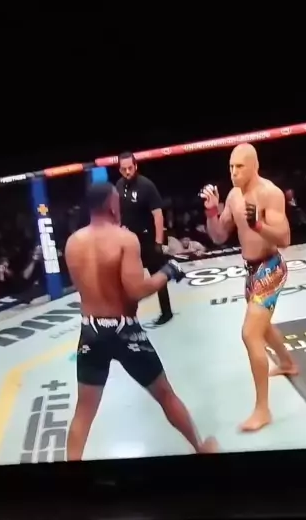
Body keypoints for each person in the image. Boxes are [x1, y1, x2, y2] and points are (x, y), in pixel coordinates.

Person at [65, 182, 218, 460]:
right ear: (112, 205)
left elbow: (88, 287)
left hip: (90, 330)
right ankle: (201, 449)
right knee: (166, 395)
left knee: (83, 412)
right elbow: (137, 290)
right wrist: (168, 271)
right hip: (124, 331)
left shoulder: (72, 243)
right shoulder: (125, 240)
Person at [200, 143, 297, 433]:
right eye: (231, 167)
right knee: (262, 327)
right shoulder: (233, 196)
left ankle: (262, 409)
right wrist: (211, 212)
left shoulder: (270, 193)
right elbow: (218, 236)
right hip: (251, 271)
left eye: (239, 166)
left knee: (250, 333)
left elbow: (285, 238)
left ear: (254, 166)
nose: (233, 172)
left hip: (271, 267)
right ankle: (288, 363)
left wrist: (258, 226)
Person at [116, 151, 173, 326]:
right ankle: (127, 317)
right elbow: (118, 212)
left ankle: (166, 312)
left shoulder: (146, 186)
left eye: (130, 168)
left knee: (158, 274)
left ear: (136, 166)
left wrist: (158, 242)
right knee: (126, 279)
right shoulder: (118, 186)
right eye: (124, 169)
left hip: (148, 239)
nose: (127, 172)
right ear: (119, 169)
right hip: (129, 241)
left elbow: (158, 214)